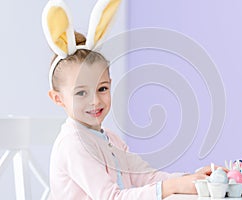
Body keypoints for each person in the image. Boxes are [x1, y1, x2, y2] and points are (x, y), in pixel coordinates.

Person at [42, 0, 213, 199]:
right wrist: (173, 186)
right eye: (81, 93)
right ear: (58, 98)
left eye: (102, 88)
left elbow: (147, 177)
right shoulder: (73, 144)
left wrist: (192, 178)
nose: (95, 101)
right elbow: (111, 197)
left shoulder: (111, 140)